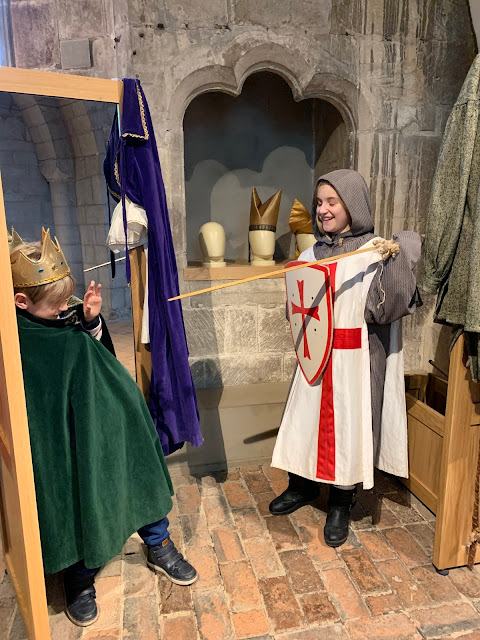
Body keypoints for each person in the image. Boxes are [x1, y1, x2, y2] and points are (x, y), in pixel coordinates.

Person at [9, 228, 198, 627]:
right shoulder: (15, 339)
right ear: (20, 301)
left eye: (68, 302)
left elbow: (99, 354)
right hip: (57, 435)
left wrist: (92, 321)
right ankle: (78, 574)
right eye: (57, 306)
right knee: (70, 492)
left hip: (104, 412)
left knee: (136, 461)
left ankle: (157, 540)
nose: (65, 310)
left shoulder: (68, 313)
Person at [269, 170, 422, 547]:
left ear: (353, 203)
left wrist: (401, 255)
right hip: (316, 358)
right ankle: (302, 485)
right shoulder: (310, 254)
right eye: (319, 202)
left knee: (349, 429)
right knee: (305, 422)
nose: (322, 210)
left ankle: (341, 501)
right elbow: (298, 307)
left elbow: (385, 311)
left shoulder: (374, 252)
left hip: (355, 359)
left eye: (331, 202)